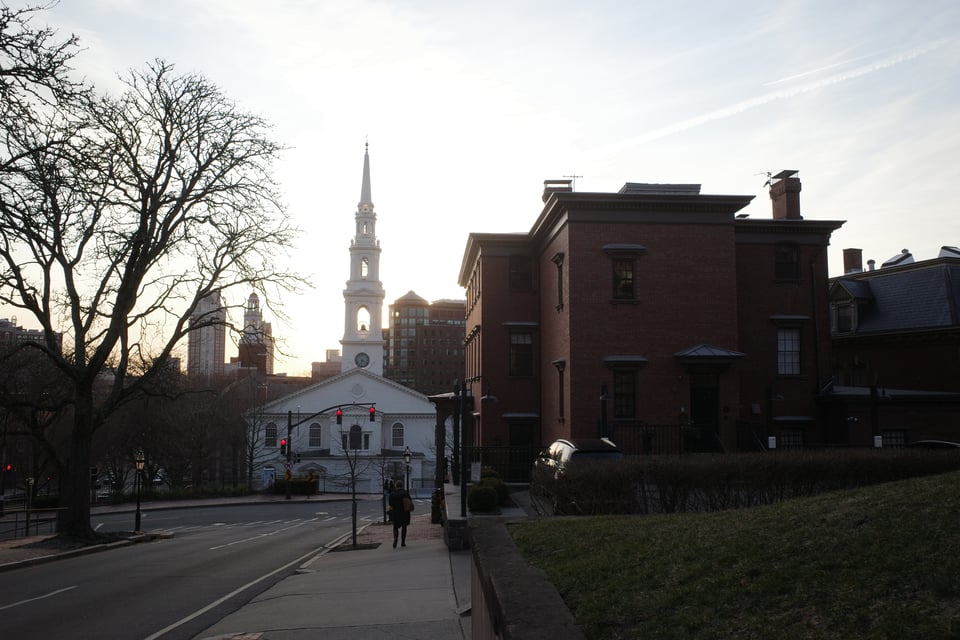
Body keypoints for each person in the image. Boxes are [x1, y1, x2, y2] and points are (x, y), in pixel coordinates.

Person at [388, 479, 412, 548]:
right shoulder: (405, 493)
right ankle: (403, 542)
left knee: (395, 527)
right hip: (404, 513)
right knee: (404, 527)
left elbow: (390, 504)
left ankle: (395, 538)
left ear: (396, 485)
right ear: (402, 485)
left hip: (395, 513)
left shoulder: (392, 493)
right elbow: (409, 501)